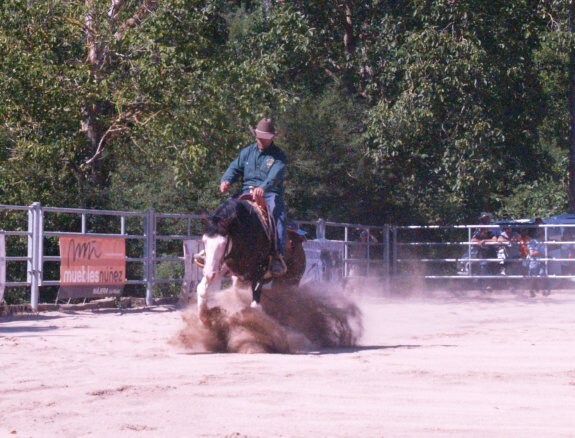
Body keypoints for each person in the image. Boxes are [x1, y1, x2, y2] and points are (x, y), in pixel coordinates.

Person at [220, 117, 288, 277]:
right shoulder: (247, 152)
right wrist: (226, 179)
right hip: (246, 190)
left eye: (265, 138)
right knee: (224, 212)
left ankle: (277, 254)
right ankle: (215, 249)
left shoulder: (279, 156)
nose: (261, 141)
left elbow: (275, 175)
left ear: (271, 138)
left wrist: (263, 188)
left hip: (270, 192)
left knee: (278, 215)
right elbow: (235, 167)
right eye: (259, 138)